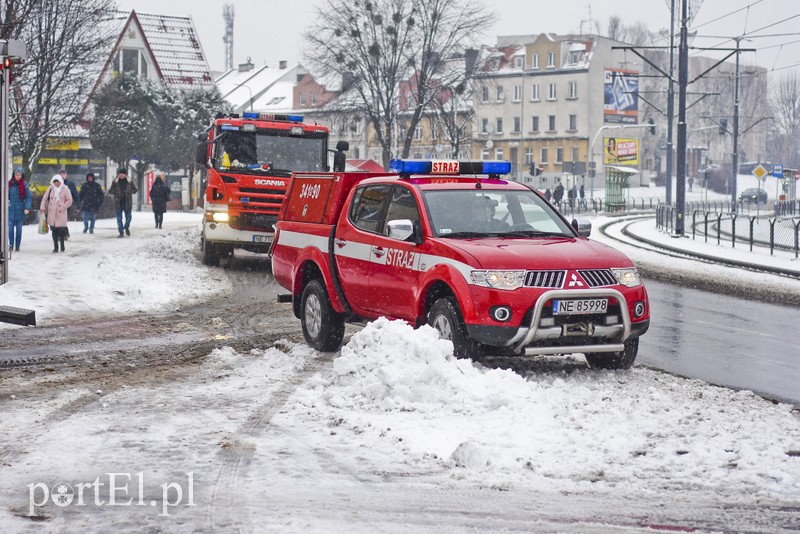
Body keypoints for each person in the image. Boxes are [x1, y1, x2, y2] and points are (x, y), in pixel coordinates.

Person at [40, 174, 73, 253]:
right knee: (54, 231)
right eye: (55, 182)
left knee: (61, 231)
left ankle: (62, 244)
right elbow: (44, 198)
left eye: (58, 182)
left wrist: (63, 206)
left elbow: (69, 200)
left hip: (61, 213)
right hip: (52, 213)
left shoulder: (65, 189)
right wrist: (42, 206)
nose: (56, 183)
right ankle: (55, 247)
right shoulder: (50, 189)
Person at [108, 168, 138, 237]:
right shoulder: (115, 181)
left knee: (129, 218)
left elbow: (135, 190)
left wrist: (130, 191)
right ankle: (121, 232)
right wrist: (114, 191)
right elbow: (110, 191)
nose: (121, 175)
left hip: (127, 203)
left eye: (123, 174)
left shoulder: (129, 181)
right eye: (120, 173)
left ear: (125, 174)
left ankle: (126, 227)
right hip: (118, 203)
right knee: (119, 219)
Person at [8, 168, 31, 252]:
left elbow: (28, 198)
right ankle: (11, 245)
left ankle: (17, 246)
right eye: (16, 174)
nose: (17, 176)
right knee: (10, 229)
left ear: (22, 176)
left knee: (19, 229)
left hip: (20, 210)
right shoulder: (9, 184)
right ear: (14, 175)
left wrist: (27, 208)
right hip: (11, 210)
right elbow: (5, 196)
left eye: (19, 175)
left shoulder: (24, 185)